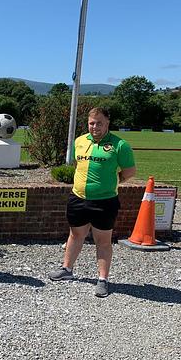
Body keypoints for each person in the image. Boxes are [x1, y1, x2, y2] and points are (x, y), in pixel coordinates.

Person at [48, 107, 136, 297]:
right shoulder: (80, 141)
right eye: (91, 123)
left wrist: (112, 181)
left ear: (107, 123)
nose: (95, 127)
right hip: (78, 198)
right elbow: (77, 165)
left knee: (103, 241)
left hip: (105, 201)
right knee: (75, 235)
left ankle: (103, 279)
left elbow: (129, 171)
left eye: (99, 123)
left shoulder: (120, 145)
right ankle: (67, 269)